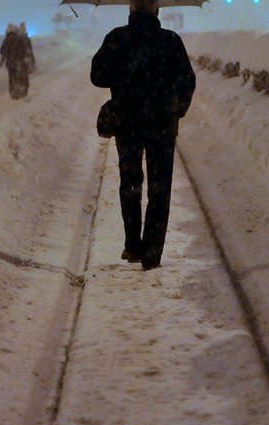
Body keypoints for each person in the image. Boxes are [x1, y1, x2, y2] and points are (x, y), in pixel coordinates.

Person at [90, 0, 196, 271]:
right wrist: (176, 109)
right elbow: (187, 80)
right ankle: (152, 252)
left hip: (128, 121)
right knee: (160, 186)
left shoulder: (116, 38)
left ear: (131, 10)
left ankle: (133, 244)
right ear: (157, 10)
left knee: (130, 181)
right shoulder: (170, 41)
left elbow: (98, 76)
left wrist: (123, 72)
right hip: (162, 123)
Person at [0, 24, 31, 99]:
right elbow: (23, 51)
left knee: (11, 78)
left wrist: (2, 60)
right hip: (18, 62)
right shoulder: (19, 39)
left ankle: (13, 93)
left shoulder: (6, 40)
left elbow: (2, 51)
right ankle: (21, 92)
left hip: (10, 63)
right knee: (19, 76)